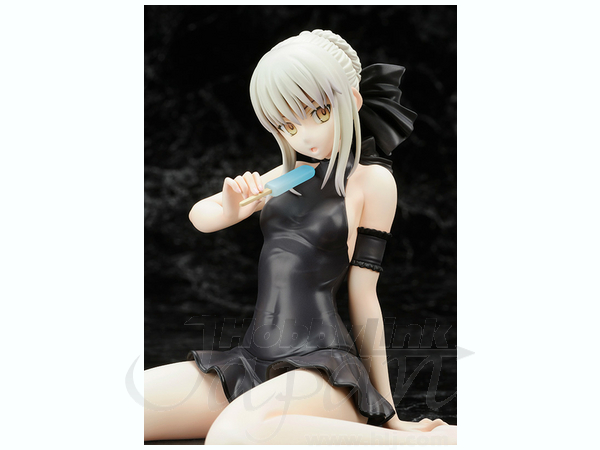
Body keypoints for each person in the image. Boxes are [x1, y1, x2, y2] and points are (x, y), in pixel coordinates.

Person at [144, 29, 456, 445]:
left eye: (319, 113)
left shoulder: (372, 182)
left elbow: (364, 296)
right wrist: (234, 208)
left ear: (353, 100)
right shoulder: (292, 174)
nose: (304, 136)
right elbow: (201, 215)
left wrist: (389, 414)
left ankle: (423, 444)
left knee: (232, 435)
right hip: (252, 360)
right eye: (287, 124)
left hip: (324, 371)